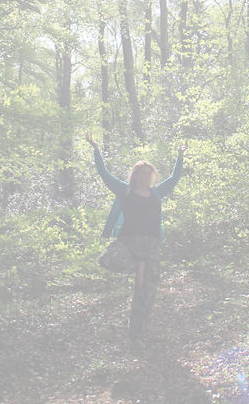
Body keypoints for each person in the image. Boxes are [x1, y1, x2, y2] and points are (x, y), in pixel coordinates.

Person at [85, 133, 186, 346]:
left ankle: (137, 336)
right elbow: (104, 174)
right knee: (106, 258)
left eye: (149, 174)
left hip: (152, 245)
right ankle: (136, 267)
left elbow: (175, 179)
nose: (145, 177)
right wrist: (95, 149)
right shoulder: (125, 190)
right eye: (142, 173)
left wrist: (180, 156)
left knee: (146, 294)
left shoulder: (157, 193)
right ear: (135, 175)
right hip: (128, 243)